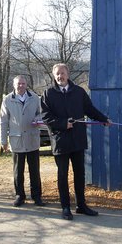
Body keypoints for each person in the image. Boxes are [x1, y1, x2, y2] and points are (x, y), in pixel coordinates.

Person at [41, 63, 111, 220]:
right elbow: (46, 117)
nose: (60, 76)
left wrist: (103, 119)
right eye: (57, 74)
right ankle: (65, 207)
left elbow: (90, 109)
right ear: (54, 75)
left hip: (78, 139)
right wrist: (63, 124)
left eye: (63, 73)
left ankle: (81, 205)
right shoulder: (48, 94)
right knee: (62, 175)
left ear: (68, 74)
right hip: (60, 140)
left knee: (80, 174)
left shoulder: (79, 92)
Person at [0, 75, 45, 207]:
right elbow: (3, 121)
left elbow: (42, 113)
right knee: (18, 171)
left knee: (34, 170)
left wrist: (38, 120)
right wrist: (3, 141)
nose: (21, 86)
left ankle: (37, 196)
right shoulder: (8, 100)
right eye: (18, 84)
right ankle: (20, 195)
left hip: (32, 138)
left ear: (26, 85)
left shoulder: (35, 98)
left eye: (23, 83)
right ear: (14, 85)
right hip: (16, 139)